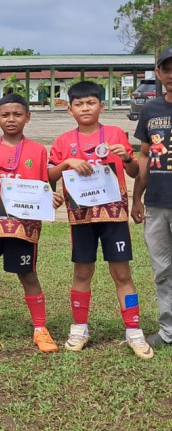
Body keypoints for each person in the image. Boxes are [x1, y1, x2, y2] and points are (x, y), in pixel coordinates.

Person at [49, 81, 152, 358]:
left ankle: (134, 331)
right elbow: (49, 176)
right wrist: (66, 163)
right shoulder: (63, 142)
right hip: (81, 218)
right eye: (79, 104)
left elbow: (132, 172)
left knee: (122, 273)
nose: (85, 108)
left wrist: (127, 157)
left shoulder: (115, 133)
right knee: (82, 273)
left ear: (101, 106)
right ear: (70, 109)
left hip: (113, 217)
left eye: (91, 102)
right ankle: (79, 328)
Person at [0, 94, 63, 353]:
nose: (11, 119)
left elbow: (45, 187)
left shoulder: (38, 151)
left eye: (17, 114)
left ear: (27, 117)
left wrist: (54, 199)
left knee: (28, 274)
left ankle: (40, 328)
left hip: (23, 224)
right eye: (6, 115)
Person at [132, 46, 172, 349]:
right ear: (158, 73)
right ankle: (168, 330)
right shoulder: (151, 110)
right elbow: (145, 157)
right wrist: (137, 199)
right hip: (157, 204)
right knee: (162, 269)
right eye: (167, 68)